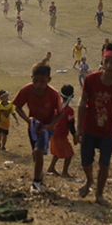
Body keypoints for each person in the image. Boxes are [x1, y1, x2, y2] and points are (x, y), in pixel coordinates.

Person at [76, 42, 112, 205]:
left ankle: (99, 194)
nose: (108, 65)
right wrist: (79, 128)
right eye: (106, 61)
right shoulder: (91, 79)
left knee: (104, 164)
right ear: (102, 59)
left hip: (107, 131)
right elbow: (82, 102)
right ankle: (89, 180)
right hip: (88, 128)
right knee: (86, 162)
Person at [13, 62, 63, 194]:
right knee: (35, 153)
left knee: (38, 151)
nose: (39, 85)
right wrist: (27, 120)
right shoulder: (26, 90)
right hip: (34, 126)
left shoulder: (53, 94)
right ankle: (40, 175)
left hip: (47, 126)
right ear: (31, 78)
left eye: (42, 82)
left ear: (49, 80)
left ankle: (36, 182)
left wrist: (51, 125)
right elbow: (17, 106)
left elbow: (61, 112)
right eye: (35, 81)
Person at [48, 85, 76, 178]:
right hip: (60, 135)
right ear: (72, 96)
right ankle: (65, 172)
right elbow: (71, 125)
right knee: (69, 154)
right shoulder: (69, 110)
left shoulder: (56, 107)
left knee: (56, 152)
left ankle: (51, 168)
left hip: (53, 133)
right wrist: (75, 135)